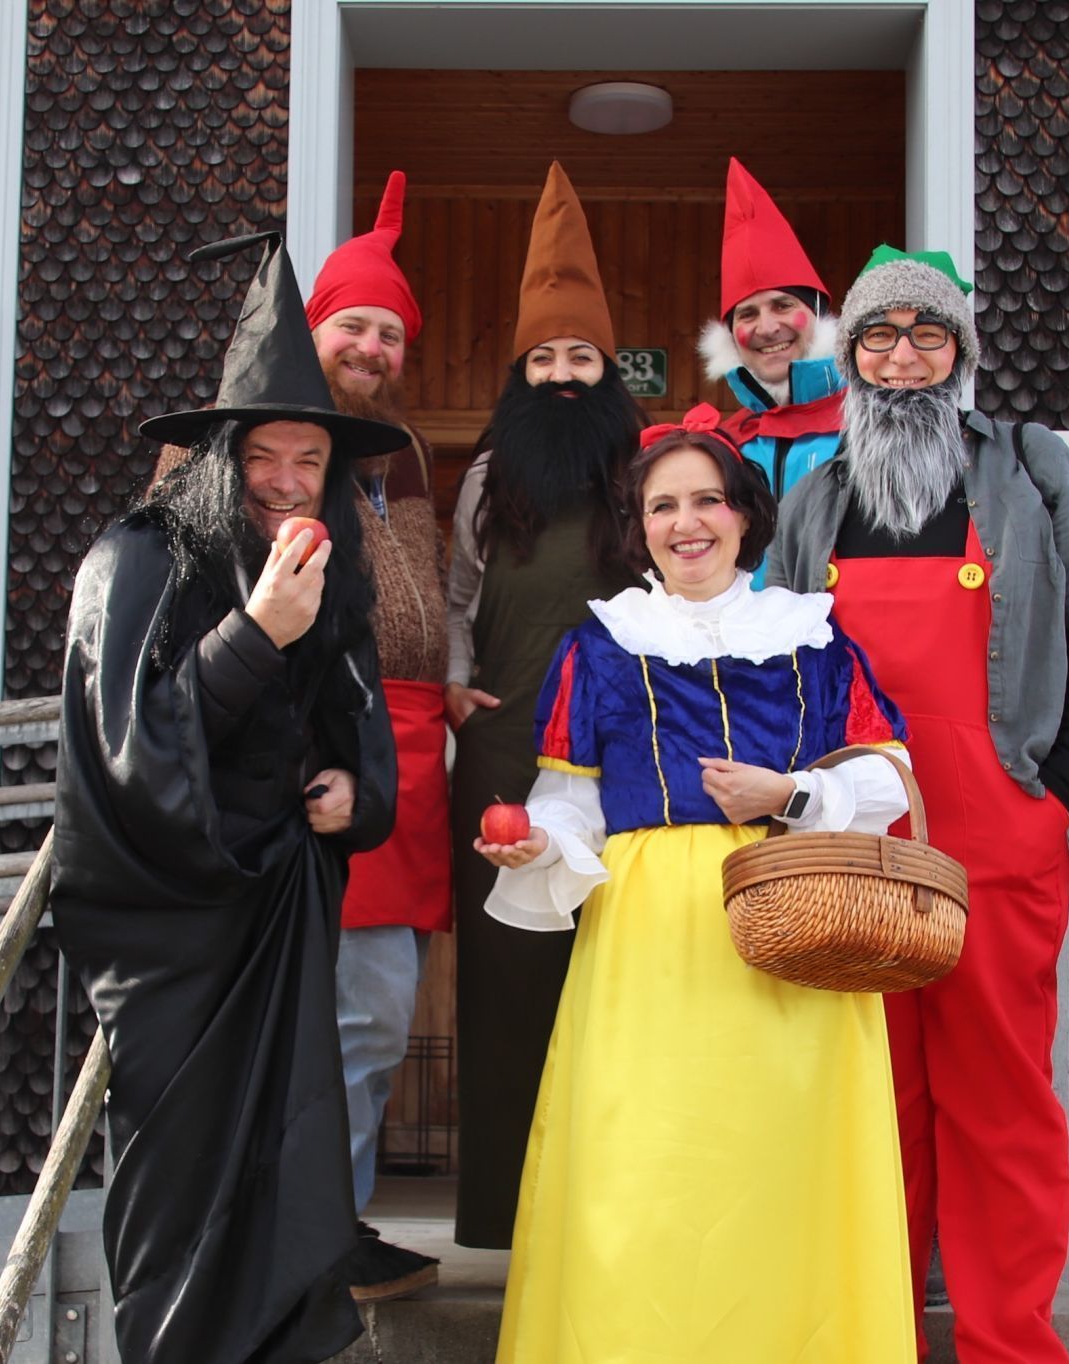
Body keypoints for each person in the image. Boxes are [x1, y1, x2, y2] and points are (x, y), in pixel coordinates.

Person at [477, 405, 919, 1363]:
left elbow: (889, 777)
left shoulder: (814, 639)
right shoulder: (599, 647)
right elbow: (567, 806)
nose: (687, 522)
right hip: (649, 948)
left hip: (791, 927)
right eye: (663, 505)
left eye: (707, 501)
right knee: (644, 1172)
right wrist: (537, 851)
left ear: (744, 517)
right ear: (638, 527)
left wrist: (794, 792)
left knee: (786, 1175)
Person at [768, 246, 1069, 1364]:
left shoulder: (1031, 467)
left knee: (999, 1096)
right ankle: (872, 1332)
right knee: (872, 1100)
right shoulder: (815, 495)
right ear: (854, 358)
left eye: (928, 333)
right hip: (853, 830)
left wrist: (1051, 789)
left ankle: (1006, 1340)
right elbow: (777, 658)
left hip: (996, 823)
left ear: (959, 353)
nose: (902, 355)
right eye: (879, 336)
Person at [51, 231, 405, 1364]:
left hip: (279, 916)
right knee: (183, 1175)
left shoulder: (328, 570)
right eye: (269, 455)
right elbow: (130, 751)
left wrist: (364, 792)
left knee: (287, 1167)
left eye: (312, 460)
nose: (292, 480)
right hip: (174, 934)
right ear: (221, 456)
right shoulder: (137, 562)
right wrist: (255, 636)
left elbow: (360, 717)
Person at [444, 161, 644, 1249]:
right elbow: (457, 597)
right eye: (543, 358)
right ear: (520, 372)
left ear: (606, 369)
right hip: (507, 749)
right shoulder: (486, 478)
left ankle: (610, 1207)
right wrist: (455, 685)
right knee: (509, 972)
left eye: (580, 357)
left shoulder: (645, 475)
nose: (562, 375)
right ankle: (508, 1210)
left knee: (618, 969)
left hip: (624, 753)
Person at [302, 169, 447, 1301]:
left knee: (374, 1019)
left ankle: (330, 1226)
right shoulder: (260, 445)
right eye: (353, 322)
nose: (370, 344)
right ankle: (291, 1237)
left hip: (404, 771)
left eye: (388, 331)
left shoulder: (399, 459)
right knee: (321, 1014)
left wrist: (461, 684)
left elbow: (425, 604)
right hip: (307, 761)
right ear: (314, 329)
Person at [696, 158, 845, 548]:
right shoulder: (726, 444)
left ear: (816, 314)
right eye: (748, 314)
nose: (766, 328)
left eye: (782, 306)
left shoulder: (872, 425)